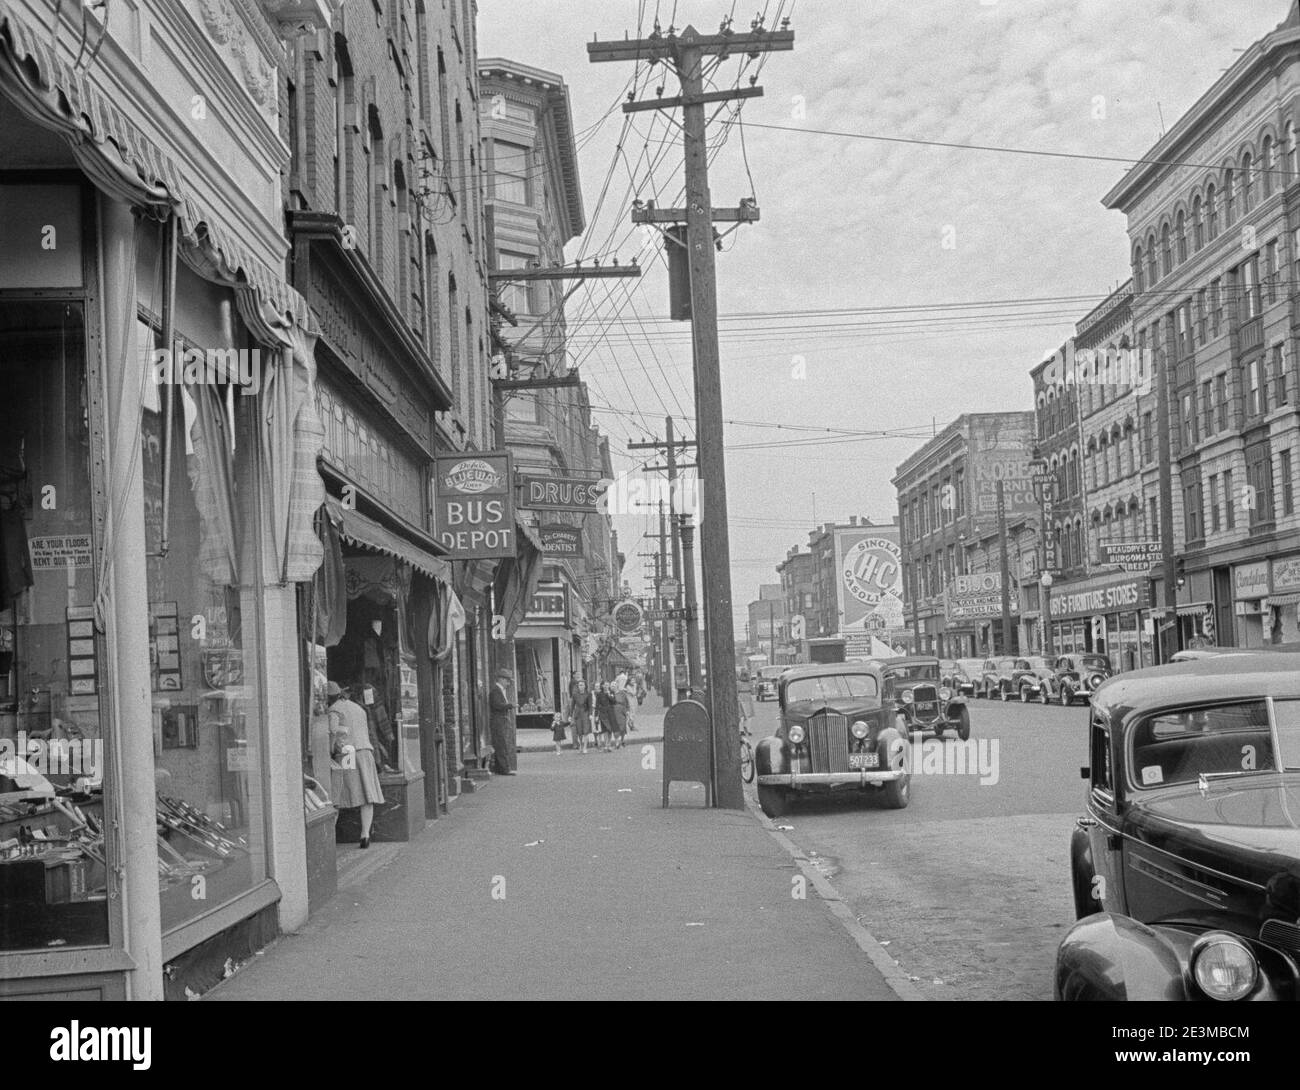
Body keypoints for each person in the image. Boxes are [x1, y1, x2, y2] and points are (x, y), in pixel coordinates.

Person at [328, 681, 384, 848]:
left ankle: (328, 837)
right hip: (366, 752)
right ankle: (365, 835)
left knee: (340, 791)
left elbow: (332, 732)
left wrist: (330, 750)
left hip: (348, 752)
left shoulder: (334, 710)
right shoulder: (359, 708)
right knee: (367, 794)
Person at [489, 668, 517, 775]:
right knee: (501, 745)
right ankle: (505, 769)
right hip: (498, 722)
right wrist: (510, 705)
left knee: (501, 744)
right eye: (507, 680)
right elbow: (497, 705)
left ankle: (499, 768)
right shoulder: (495, 691)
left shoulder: (499, 691)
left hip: (501, 721)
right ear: (500, 679)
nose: (508, 683)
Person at [570, 677, 594, 753]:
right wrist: (570, 716)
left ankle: (585, 747)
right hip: (577, 713)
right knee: (579, 731)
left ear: (585, 686)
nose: (581, 686)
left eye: (582, 685)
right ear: (578, 686)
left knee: (586, 731)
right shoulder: (575, 694)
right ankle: (581, 744)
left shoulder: (588, 694)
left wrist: (590, 714)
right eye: (580, 685)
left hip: (585, 713)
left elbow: (590, 705)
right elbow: (572, 705)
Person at [595, 682, 615, 752]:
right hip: (603, 713)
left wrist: (609, 695)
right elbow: (597, 705)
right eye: (605, 685)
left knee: (610, 729)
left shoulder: (611, 692)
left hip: (610, 713)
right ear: (602, 686)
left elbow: (614, 701)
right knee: (605, 729)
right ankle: (606, 745)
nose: (606, 686)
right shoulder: (599, 694)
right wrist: (596, 715)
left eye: (607, 685)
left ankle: (609, 744)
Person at [611, 680, 631, 749]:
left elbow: (627, 702)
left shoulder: (622, 693)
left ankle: (622, 740)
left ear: (617, 686)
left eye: (614, 685)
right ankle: (617, 742)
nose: (613, 687)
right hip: (613, 711)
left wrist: (628, 710)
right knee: (615, 727)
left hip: (622, 710)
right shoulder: (611, 694)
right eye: (612, 686)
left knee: (622, 726)